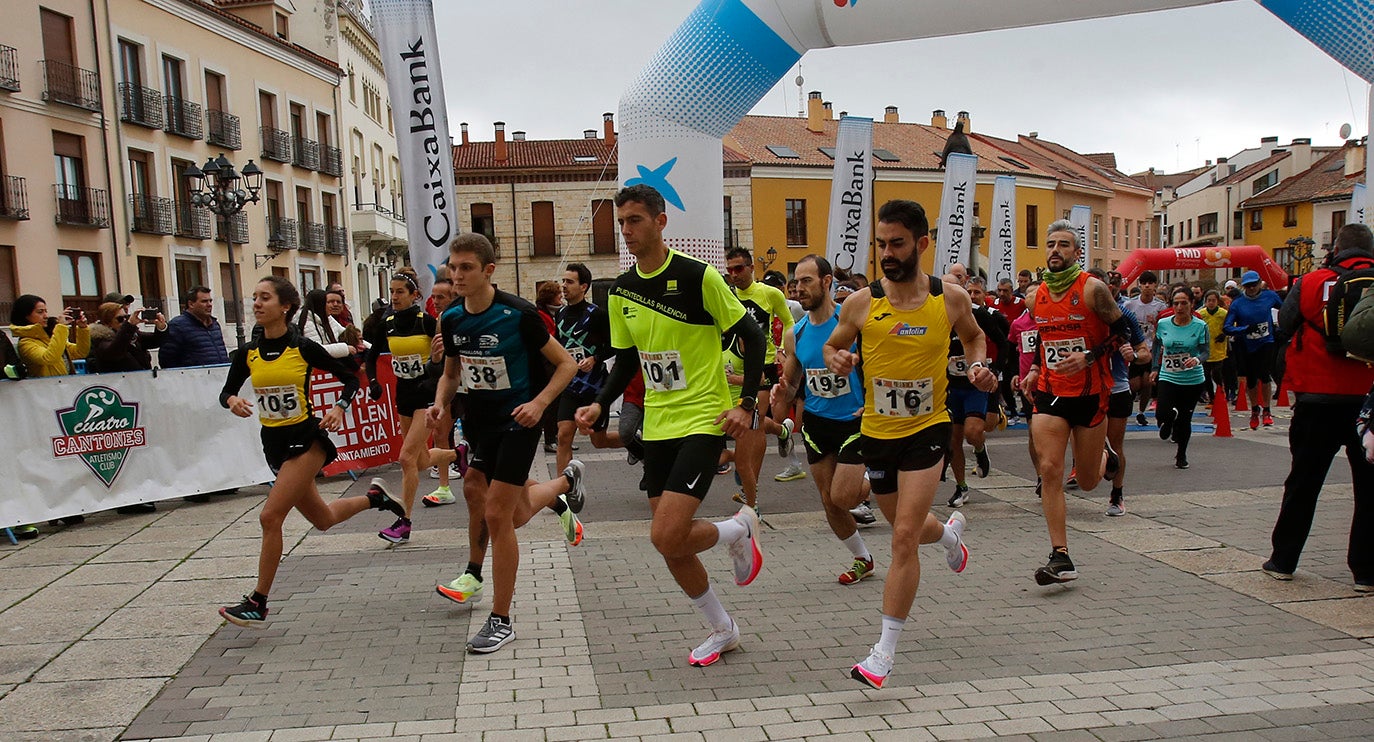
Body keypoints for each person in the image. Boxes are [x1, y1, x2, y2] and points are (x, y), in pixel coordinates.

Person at [574, 184, 766, 669]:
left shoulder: (697, 276)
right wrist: (600, 404)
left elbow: (752, 334)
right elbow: (626, 362)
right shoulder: (621, 291)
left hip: (703, 417)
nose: (626, 231)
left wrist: (746, 404)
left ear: (661, 222)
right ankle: (723, 628)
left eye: (635, 220)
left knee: (665, 534)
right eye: (621, 223)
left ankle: (737, 528)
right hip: (657, 425)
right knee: (670, 544)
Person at [823, 199, 991, 689]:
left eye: (896, 243)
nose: (887, 253)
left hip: (928, 429)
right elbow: (835, 343)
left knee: (900, 538)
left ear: (921, 244)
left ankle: (882, 654)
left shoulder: (950, 298)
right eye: (880, 244)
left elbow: (975, 337)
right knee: (909, 528)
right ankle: (950, 536)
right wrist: (837, 359)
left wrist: (977, 365)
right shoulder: (861, 303)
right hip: (878, 432)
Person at [217, 276, 409, 626]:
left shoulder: (302, 347)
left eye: (265, 298)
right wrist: (232, 400)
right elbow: (226, 390)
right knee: (323, 520)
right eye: (255, 297)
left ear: (285, 306)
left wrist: (339, 407)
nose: (257, 304)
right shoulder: (248, 353)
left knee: (269, 517)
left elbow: (351, 377)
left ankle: (258, 602)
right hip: (273, 444)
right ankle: (376, 499)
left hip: (306, 441)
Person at [429, 234, 586, 654]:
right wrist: (440, 403)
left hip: (520, 421)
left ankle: (500, 620)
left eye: (466, 268)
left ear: (488, 271)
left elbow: (566, 364)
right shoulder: (453, 319)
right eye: (453, 267)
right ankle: (562, 488)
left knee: (498, 514)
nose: (456, 275)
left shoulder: (519, 314)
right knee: (502, 507)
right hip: (481, 422)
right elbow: (451, 372)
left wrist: (539, 404)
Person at [773, 254, 969, 586]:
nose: (799, 288)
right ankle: (863, 557)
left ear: (826, 282)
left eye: (806, 281)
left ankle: (874, 482)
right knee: (830, 502)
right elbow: (794, 382)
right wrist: (783, 391)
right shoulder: (796, 333)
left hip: (858, 419)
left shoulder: (853, 316)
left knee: (844, 496)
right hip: (818, 424)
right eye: (796, 282)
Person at [1264, 223, 1374, 592]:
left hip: (1316, 396)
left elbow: (1285, 322)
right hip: (1369, 401)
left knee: (1304, 482)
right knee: (1369, 489)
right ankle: (1365, 571)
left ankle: (1283, 559)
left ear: (1336, 248)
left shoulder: (1312, 281)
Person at [1019, 221, 1126, 586]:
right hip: (1050, 393)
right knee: (1050, 469)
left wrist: (1090, 357)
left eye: (1063, 245)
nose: (1055, 250)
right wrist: (1035, 369)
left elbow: (1122, 332)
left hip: (1091, 395)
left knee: (1092, 481)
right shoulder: (1036, 297)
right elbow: (1043, 340)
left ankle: (1103, 457)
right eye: (1050, 244)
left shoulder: (1094, 290)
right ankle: (1060, 555)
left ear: (1076, 252)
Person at [364, 269, 440, 544]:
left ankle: (404, 521)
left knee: (406, 458)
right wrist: (373, 382)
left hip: (426, 396)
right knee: (421, 460)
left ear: (414, 295)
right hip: (404, 395)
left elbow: (446, 361)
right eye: (392, 291)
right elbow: (371, 356)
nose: (394, 297)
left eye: (399, 292)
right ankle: (458, 455)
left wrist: (434, 376)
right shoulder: (388, 324)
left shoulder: (427, 322)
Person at [722, 247, 799, 503]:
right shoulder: (725, 293)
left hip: (763, 363)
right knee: (744, 421)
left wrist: (783, 350)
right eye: (730, 270)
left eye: (739, 269)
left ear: (751, 267)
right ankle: (783, 432)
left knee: (754, 425)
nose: (734, 275)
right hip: (731, 363)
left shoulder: (769, 293)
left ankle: (749, 487)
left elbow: (789, 322)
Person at [944, 275, 1005, 507]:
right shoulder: (937, 317)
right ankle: (961, 487)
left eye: (954, 288)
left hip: (974, 385)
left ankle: (979, 448)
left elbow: (1003, 341)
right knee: (953, 441)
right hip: (951, 386)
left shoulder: (977, 315)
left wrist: (996, 369)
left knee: (972, 432)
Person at [554, 263, 613, 474]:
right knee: (564, 435)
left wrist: (595, 358)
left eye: (570, 282)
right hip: (570, 385)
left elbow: (614, 345)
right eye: (563, 281)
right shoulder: (559, 314)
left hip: (594, 387)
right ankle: (562, 489)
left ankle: (638, 444)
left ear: (583, 287)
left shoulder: (597, 314)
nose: (564, 286)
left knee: (599, 440)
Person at [1152, 287, 1211, 469]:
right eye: (1176, 303)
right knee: (1161, 412)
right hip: (1168, 376)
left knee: (1185, 420)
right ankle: (1168, 421)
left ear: (1192, 304)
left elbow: (1205, 351)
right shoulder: (1163, 323)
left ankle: (1181, 455)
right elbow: (1156, 346)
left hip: (1192, 380)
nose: (1179, 307)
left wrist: (1197, 359)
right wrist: (1155, 367)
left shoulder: (1200, 326)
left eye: (1184, 303)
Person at [1225, 270, 1284, 430]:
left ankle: (1267, 410)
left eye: (1253, 285)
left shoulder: (1269, 296)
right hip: (1247, 344)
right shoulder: (1238, 303)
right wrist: (1244, 329)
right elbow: (1227, 327)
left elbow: (1285, 310)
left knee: (1264, 375)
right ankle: (1254, 409)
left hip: (1266, 341)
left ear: (1259, 283)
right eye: (1247, 286)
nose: (1251, 288)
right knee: (1251, 379)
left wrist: (1282, 327)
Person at [1123, 271, 1167, 427]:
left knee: (1148, 382)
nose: (1147, 286)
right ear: (1140, 285)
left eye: (1150, 283)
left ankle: (1141, 412)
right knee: (1135, 384)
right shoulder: (1130, 305)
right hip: (1135, 348)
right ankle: (1128, 403)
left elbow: (1165, 326)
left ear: (1155, 285)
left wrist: (1155, 323)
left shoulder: (1161, 307)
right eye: (1144, 283)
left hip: (1151, 348)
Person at [10, 294, 90, 377]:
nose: (45, 316)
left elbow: (80, 352)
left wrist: (82, 328)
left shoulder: (49, 336)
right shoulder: (25, 342)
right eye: (40, 312)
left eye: (46, 311)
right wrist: (61, 327)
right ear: (26, 315)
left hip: (65, 384)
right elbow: (49, 358)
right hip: (45, 387)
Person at [159, 286, 230, 368]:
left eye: (210, 301)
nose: (209, 304)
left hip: (220, 376)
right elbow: (167, 360)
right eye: (204, 301)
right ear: (191, 304)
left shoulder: (215, 325)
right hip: (193, 378)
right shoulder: (177, 326)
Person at [89, 301, 166, 373]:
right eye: (120, 319)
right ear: (107, 322)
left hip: (141, 381)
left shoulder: (132, 334)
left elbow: (155, 341)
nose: (124, 321)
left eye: (126, 317)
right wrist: (129, 325)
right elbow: (115, 351)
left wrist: (161, 327)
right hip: (117, 384)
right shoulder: (100, 338)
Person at [535, 280, 564, 454]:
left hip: (551, 364)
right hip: (547, 366)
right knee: (552, 406)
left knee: (557, 405)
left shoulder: (551, 314)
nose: (561, 297)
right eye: (558, 295)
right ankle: (550, 439)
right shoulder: (541, 316)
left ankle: (558, 438)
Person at [1200, 290, 1236, 404]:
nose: (1211, 303)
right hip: (1205, 349)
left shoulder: (1223, 313)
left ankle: (1221, 392)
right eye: (1209, 300)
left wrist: (1225, 334)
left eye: (1213, 300)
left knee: (1217, 373)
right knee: (1206, 375)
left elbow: (1231, 325)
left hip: (1219, 349)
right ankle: (1212, 397)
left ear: (1217, 301)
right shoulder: (1201, 314)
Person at [296, 290, 351, 359]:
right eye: (328, 302)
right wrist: (345, 348)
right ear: (319, 305)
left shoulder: (328, 318)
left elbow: (345, 332)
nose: (332, 305)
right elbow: (317, 350)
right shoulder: (307, 324)